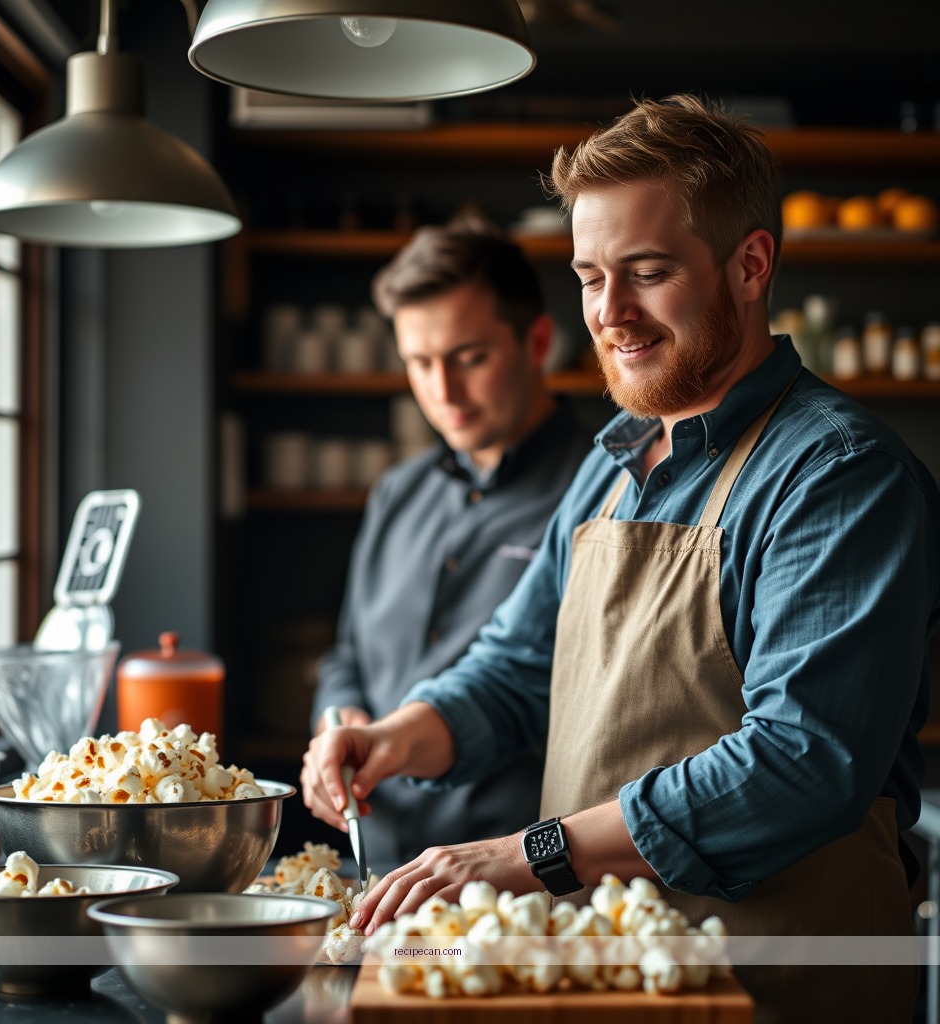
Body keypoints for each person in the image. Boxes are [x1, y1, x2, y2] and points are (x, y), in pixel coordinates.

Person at [301, 95, 940, 1024]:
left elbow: (802, 760)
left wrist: (524, 855)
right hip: (606, 976)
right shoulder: (615, 461)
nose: (610, 314)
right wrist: (401, 735)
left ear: (751, 265)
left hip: (783, 983)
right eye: (590, 276)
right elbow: (517, 668)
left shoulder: (839, 474)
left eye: (646, 272)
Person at [309, 220, 595, 870]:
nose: (443, 391)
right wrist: (338, 720)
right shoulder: (396, 493)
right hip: (374, 866)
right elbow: (347, 654)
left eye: (470, 358)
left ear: (539, 343)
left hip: (519, 882)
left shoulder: (604, 496)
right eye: (419, 363)